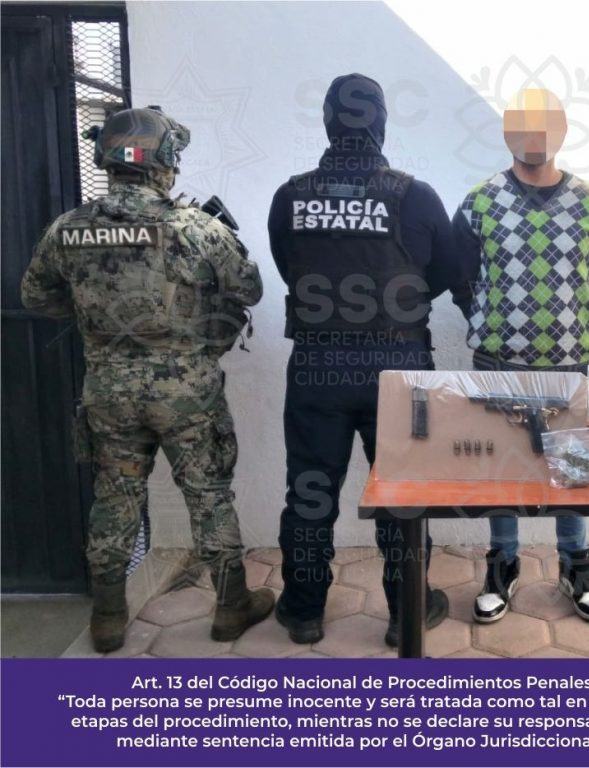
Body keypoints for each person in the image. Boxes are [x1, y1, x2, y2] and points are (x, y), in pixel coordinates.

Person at [20, 106, 272, 653]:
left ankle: (108, 617)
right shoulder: (194, 227)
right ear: (165, 161)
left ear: (106, 160)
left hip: (109, 391)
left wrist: (96, 318)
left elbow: (36, 297)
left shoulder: (68, 229)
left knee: (115, 495)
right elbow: (249, 290)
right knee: (208, 495)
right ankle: (231, 605)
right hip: (186, 393)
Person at [269, 73, 468, 647]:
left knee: (310, 491)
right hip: (398, 367)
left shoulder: (290, 196)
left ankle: (303, 610)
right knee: (404, 494)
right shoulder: (416, 195)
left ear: (328, 122)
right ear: (380, 123)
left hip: (318, 366)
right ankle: (406, 613)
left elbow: (289, 266)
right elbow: (444, 275)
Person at [453, 88, 589, 624]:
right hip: (498, 362)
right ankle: (502, 565)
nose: (533, 136)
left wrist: (569, 323)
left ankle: (576, 566)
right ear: (507, 133)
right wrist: (494, 320)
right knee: (500, 469)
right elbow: (461, 277)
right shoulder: (479, 203)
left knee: (573, 467)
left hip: (570, 362)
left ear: (563, 132)